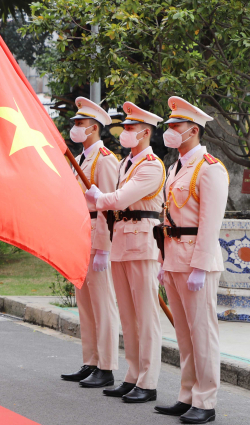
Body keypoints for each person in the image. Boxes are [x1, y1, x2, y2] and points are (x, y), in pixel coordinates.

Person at [153, 97, 228, 424]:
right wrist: (162, 260)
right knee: (183, 333)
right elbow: (167, 216)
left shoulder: (210, 168)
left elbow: (211, 223)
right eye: (169, 126)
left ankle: (205, 401)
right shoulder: (175, 167)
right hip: (174, 259)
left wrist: (199, 266)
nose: (169, 131)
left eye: (175, 127)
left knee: (202, 333)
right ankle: (187, 395)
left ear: (193, 130)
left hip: (197, 263)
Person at [85, 102, 165, 404]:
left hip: (143, 244)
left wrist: (99, 197)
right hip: (121, 242)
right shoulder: (125, 164)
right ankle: (132, 375)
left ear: (145, 133)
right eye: (125, 127)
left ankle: (148, 381)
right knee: (129, 317)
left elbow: (122, 198)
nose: (125, 132)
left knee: (146, 317)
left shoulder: (152, 165)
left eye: (131, 128)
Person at [60, 97, 120, 389]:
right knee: (84, 304)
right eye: (74, 123)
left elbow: (109, 207)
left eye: (80, 123)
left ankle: (106, 366)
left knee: (103, 304)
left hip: (97, 236)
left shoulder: (105, 159)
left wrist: (104, 249)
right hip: (80, 234)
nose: (75, 128)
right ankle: (91, 361)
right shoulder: (80, 159)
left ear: (94, 127)